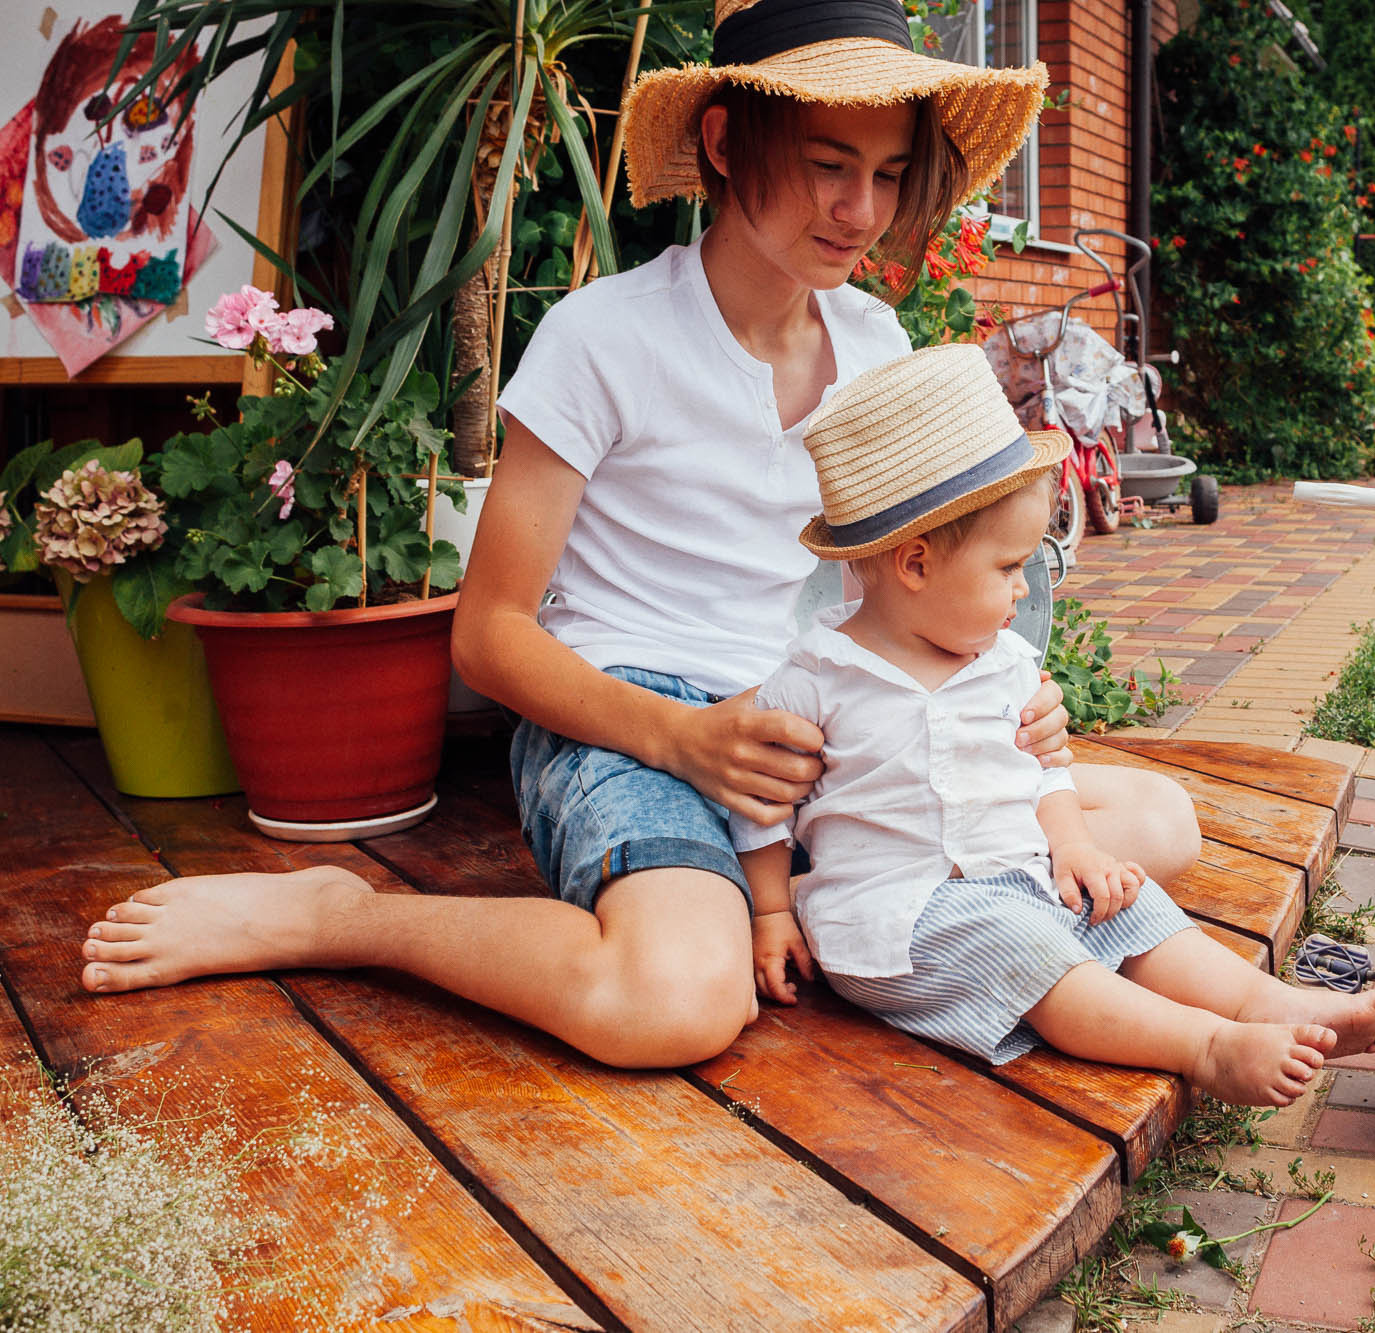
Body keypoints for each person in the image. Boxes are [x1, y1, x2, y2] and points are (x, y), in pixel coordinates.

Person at [75, 0, 1203, 1070]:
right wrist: (677, 738)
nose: (858, 212)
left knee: (1157, 823)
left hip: (824, 733)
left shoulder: (876, 339)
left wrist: (1003, 697)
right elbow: (489, 637)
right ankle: (352, 918)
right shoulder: (603, 336)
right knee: (673, 1003)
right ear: (724, 140)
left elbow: (909, 582)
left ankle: (800, 895)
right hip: (632, 719)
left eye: (886, 176)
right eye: (825, 166)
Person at [735, 345, 1375, 1105]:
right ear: (914, 565)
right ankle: (1204, 1045)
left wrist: (1075, 848)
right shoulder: (815, 676)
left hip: (1014, 875)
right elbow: (763, 808)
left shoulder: (1005, 662)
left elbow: (1042, 771)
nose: (1023, 591)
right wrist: (770, 913)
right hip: (895, 920)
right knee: (1029, 950)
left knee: (1131, 905)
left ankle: (1267, 1003)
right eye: (1008, 568)